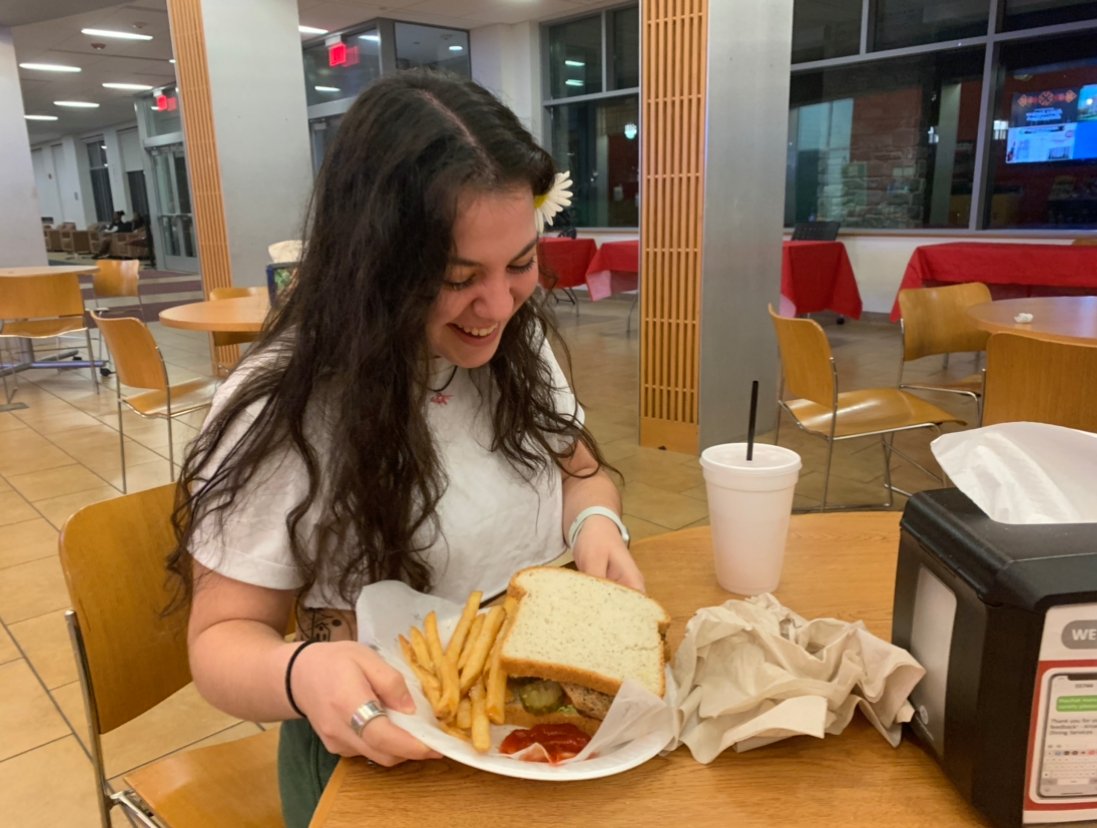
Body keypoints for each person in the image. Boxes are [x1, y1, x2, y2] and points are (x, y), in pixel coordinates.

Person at [167, 70, 643, 828]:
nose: (498, 306)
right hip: (375, 757)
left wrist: (595, 525)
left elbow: (580, 470)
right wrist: (301, 673)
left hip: (524, 737)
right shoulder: (283, 404)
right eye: (458, 279)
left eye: (520, 263)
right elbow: (219, 644)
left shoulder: (512, 346)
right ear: (373, 267)